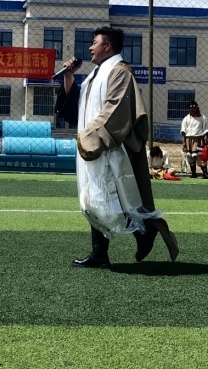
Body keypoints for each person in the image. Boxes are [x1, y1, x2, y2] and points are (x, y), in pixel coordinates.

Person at [55, 26, 178, 269]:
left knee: (118, 196)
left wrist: (91, 137)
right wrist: (69, 76)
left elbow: (115, 111)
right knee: (93, 197)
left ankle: (144, 231)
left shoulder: (120, 72)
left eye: (95, 42)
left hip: (110, 148)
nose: (90, 47)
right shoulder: (95, 75)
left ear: (108, 46)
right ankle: (100, 253)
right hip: (94, 146)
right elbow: (78, 108)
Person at [181, 100, 208, 179]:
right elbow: (183, 131)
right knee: (190, 156)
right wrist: (184, 142)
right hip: (188, 140)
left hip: (199, 139)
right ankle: (193, 173)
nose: (192, 109)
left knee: (200, 156)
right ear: (188, 109)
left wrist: (206, 140)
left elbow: (206, 130)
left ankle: (205, 173)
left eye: (194, 108)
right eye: (190, 108)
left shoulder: (202, 118)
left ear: (197, 108)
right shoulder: (186, 119)